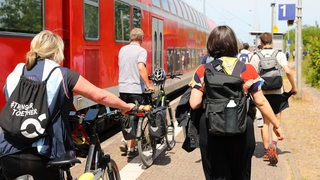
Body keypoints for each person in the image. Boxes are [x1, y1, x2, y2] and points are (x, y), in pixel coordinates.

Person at [0, 30, 135, 180]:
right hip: (44, 155)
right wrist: (126, 106)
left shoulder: (15, 72)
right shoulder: (62, 75)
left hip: (7, 152)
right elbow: (101, 96)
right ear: (56, 51)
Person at [189, 25, 284, 179]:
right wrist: (276, 125)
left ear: (211, 44)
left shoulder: (202, 69)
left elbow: (194, 103)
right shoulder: (247, 69)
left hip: (211, 127)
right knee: (241, 173)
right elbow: (260, 102)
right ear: (234, 44)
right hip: (241, 127)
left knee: (215, 174)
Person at [250, 32, 297, 165]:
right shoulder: (280, 54)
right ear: (271, 41)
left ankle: (266, 152)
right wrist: (294, 87)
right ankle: (274, 146)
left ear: (261, 42)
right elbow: (288, 71)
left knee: (265, 122)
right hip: (277, 91)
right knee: (276, 120)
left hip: (262, 93)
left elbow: (252, 75)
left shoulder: (256, 56)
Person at [118, 28, 155, 159]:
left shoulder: (122, 50)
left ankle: (125, 139)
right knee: (137, 117)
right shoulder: (141, 51)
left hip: (123, 89)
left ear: (131, 38)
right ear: (142, 39)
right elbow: (141, 67)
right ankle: (131, 148)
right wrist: (148, 85)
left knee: (126, 116)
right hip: (135, 90)